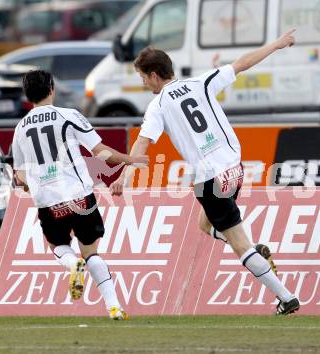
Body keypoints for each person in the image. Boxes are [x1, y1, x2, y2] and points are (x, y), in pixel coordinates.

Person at [110, 30, 299, 315]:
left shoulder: (158, 105)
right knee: (204, 222)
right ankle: (253, 250)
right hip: (234, 168)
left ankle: (286, 297)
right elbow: (243, 63)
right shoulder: (202, 82)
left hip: (209, 178)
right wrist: (277, 44)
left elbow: (143, 143)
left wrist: (124, 175)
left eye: (143, 77)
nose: (143, 83)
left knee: (239, 244)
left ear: (154, 75)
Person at [12, 70, 149, 320]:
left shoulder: (20, 128)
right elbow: (100, 152)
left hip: (48, 201)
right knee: (92, 253)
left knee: (59, 247)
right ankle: (114, 307)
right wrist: (132, 159)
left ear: (27, 94)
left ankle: (72, 264)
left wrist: (27, 184)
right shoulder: (68, 116)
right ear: (51, 89)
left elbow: (20, 177)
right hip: (79, 196)